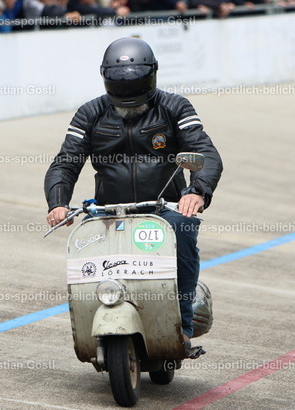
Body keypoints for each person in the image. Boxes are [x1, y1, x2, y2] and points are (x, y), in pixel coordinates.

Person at [44, 37, 223, 354]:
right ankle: (90, 320)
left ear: (151, 75)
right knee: (86, 255)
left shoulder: (175, 108)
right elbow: (66, 162)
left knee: (182, 230)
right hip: (107, 210)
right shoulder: (90, 113)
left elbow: (204, 152)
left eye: (135, 83)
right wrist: (58, 202)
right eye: (120, 84)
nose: (128, 93)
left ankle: (183, 327)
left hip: (164, 207)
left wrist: (197, 191)